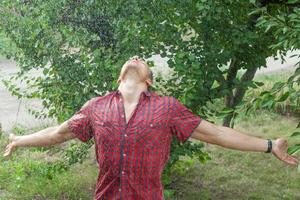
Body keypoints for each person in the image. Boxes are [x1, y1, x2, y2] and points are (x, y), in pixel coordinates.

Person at [4, 56, 299, 200]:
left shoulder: (166, 107)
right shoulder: (96, 106)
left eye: (142, 61)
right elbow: (57, 133)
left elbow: (217, 133)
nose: (135, 59)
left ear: (149, 80)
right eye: (131, 60)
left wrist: (270, 145)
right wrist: (19, 139)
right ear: (119, 79)